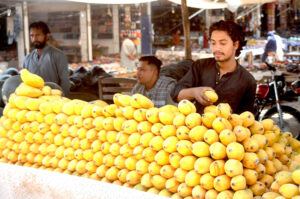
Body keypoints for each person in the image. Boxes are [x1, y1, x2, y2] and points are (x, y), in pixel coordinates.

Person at [171, 20, 257, 114]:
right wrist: (194, 92)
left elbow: (247, 119)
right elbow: (175, 94)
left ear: (235, 45)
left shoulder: (248, 81)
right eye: (213, 43)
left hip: (226, 127)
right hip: (197, 127)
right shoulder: (200, 66)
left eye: (222, 43)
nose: (217, 48)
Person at [23, 21, 70, 95]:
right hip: (33, 102)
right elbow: (25, 81)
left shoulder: (58, 55)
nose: (34, 38)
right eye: (32, 36)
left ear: (47, 36)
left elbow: (65, 82)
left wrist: (62, 99)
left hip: (53, 100)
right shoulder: (27, 59)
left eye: (38, 35)